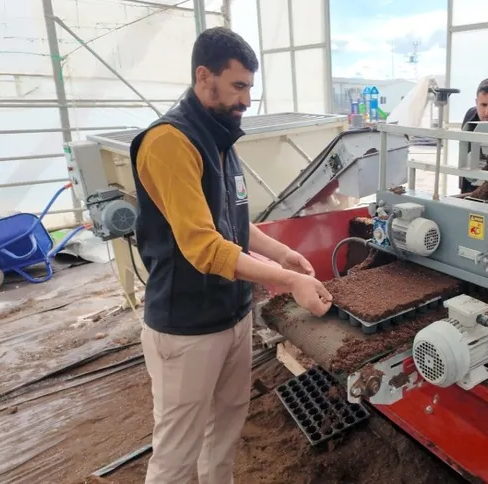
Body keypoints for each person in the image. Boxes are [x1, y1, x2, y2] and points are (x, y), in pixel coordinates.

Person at [129, 27, 332, 484]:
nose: (246, 99)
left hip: (232, 316)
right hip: (187, 328)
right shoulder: (170, 142)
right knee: (177, 454)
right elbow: (204, 247)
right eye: (238, 86)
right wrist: (288, 281)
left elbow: (233, 222)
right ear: (205, 76)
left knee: (224, 433)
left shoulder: (220, 137)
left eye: (249, 88)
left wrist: (284, 255)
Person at [458, 78, 488, 195]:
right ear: (476, 102)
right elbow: (465, 152)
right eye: (483, 105)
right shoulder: (470, 117)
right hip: (470, 184)